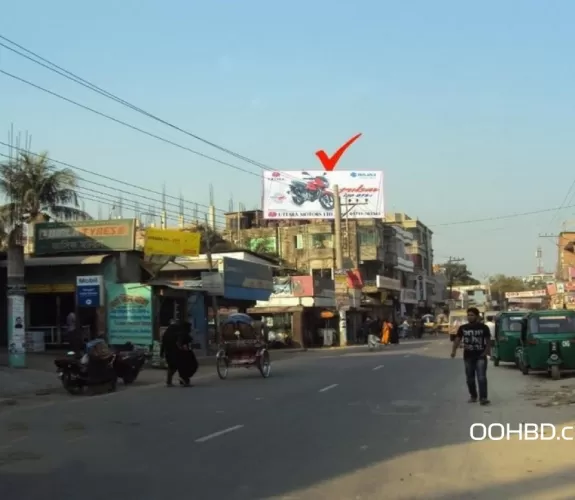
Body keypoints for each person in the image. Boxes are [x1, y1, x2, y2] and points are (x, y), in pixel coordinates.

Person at [451, 307, 491, 405]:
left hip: (480, 356)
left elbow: (488, 341)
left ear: (477, 316)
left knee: (481, 377)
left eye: (472, 315)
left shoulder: (483, 327)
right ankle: (473, 396)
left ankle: (483, 398)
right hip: (468, 356)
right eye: (468, 315)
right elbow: (457, 339)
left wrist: (486, 351)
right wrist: (453, 351)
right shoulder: (463, 328)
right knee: (470, 378)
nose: (470, 317)